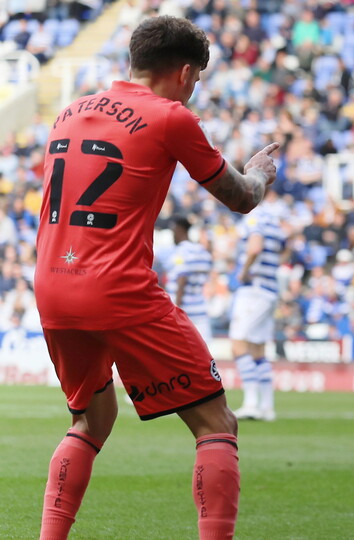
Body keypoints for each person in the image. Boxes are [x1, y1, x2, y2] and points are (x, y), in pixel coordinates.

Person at [34, 16, 279, 540]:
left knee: (89, 422)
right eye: (198, 79)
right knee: (217, 425)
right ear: (186, 72)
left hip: (52, 285)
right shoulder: (171, 117)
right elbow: (240, 198)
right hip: (117, 285)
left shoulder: (69, 112)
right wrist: (260, 173)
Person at [230, 203, 286, 422]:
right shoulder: (273, 219)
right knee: (258, 349)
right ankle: (267, 407)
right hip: (270, 288)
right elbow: (285, 247)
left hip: (254, 290)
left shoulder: (254, 218)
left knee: (238, 344)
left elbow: (255, 247)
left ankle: (251, 403)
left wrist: (243, 272)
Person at [165, 215, 214, 342]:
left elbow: (182, 279)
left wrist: (176, 309)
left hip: (183, 309)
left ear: (179, 230)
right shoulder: (202, 251)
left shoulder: (181, 252)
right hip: (200, 307)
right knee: (205, 353)